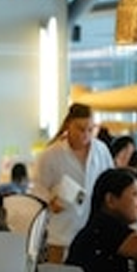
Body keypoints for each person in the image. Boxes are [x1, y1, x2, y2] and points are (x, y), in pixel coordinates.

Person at [31, 103, 113, 263]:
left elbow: (110, 181)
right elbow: (38, 188)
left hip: (94, 230)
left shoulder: (101, 151)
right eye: (80, 129)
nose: (85, 134)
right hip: (62, 232)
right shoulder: (51, 155)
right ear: (69, 124)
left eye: (90, 129)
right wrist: (50, 202)